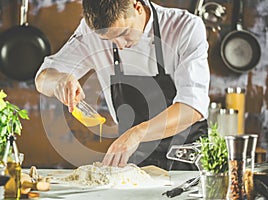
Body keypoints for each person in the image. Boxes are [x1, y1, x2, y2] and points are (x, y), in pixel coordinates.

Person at [35, 0, 210, 170]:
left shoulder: (185, 27)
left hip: (187, 161)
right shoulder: (91, 32)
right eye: (109, 40)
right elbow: (43, 78)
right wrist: (59, 81)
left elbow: (192, 107)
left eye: (123, 33)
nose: (121, 45)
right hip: (135, 163)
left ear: (137, 7)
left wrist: (137, 134)